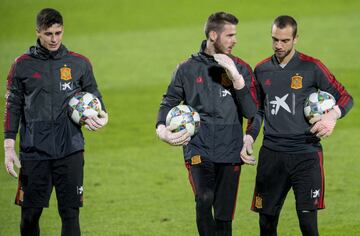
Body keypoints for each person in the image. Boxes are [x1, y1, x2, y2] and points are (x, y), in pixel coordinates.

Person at [241, 15, 353, 236]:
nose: (278, 45)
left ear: (295, 39)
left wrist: (331, 116)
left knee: (308, 224)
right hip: (272, 155)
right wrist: (249, 137)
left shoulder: (312, 67)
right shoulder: (262, 70)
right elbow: (258, 110)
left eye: (284, 40)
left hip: (306, 154)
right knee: (266, 223)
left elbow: (345, 97)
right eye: (274, 40)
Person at [4, 8, 108, 236]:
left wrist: (102, 114)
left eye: (58, 33)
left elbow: (94, 95)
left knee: (70, 213)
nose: (54, 39)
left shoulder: (79, 63)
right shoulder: (22, 65)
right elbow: (12, 105)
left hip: (70, 150)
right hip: (34, 151)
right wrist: (9, 145)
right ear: (38, 32)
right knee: (29, 216)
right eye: (48, 33)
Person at [156, 12, 257, 236]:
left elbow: (252, 112)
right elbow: (168, 102)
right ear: (213, 35)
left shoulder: (241, 68)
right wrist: (162, 129)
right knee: (204, 197)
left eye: (235, 35)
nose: (235, 40)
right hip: (197, 147)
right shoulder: (186, 69)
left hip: (230, 150)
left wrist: (237, 80)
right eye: (229, 35)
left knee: (223, 218)